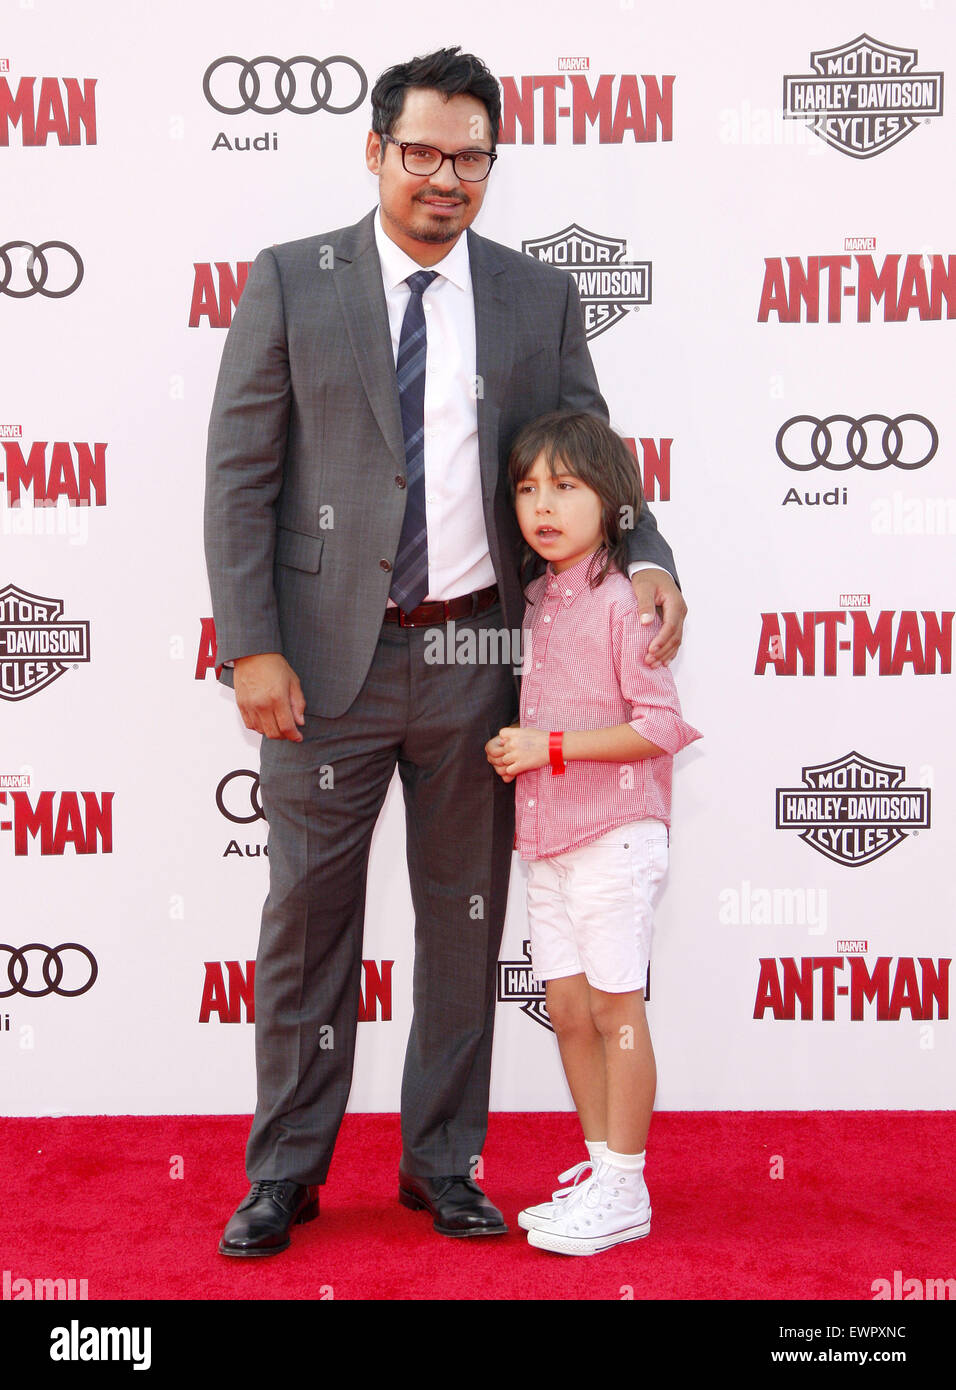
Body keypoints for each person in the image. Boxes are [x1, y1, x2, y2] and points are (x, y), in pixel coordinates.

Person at [204, 47, 686, 1257]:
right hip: (321, 669)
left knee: (462, 927)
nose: (443, 177)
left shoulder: (533, 297)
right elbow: (239, 479)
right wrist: (250, 646)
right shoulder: (290, 281)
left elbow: (596, 456)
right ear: (374, 152)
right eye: (419, 151)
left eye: (469, 156)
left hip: (479, 660)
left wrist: (649, 557)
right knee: (306, 924)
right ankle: (285, 1172)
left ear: (489, 166)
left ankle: (443, 1164)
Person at [486, 410, 700, 1255]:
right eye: (528, 488)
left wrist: (550, 747)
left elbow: (660, 727)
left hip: (615, 832)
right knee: (567, 1007)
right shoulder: (538, 598)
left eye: (566, 487)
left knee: (615, 1008)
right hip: (548, 839)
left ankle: (626, 1186)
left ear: (612, 504)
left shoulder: (628, 599)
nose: (543, 505)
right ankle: (602, 1169)